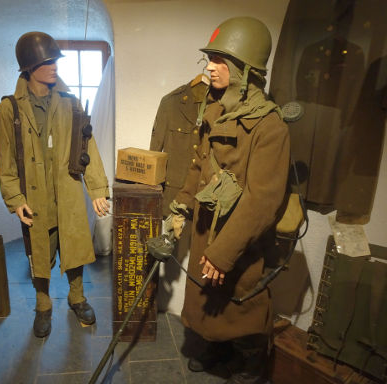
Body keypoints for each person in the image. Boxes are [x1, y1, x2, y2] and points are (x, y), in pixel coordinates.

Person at [170, 17, 290, 383]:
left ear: (247, 71)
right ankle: (217, 348)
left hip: (243, 238)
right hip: (209, 226)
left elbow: (262, 200)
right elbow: (198, 166)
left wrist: (224, 253)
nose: (210, 67)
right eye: (211, 59)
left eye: (222, 61)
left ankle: (250, 363)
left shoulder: (270, 128)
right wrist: (182, 207)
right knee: (210, 298)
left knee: (243, 301)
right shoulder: (215, 111)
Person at [0, 32, 110, 338]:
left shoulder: (71, 104)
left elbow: (89, 147)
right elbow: (6, 160)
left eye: (55, 60)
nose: (54, 67)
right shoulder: (9, 109)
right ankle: (43, 304)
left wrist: (97, 189)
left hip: (68, 189)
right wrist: (15, 198)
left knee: (74, 244)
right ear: (28, 68)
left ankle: (77, 296)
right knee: (39, 252)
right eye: (47, 62)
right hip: (34, 194)